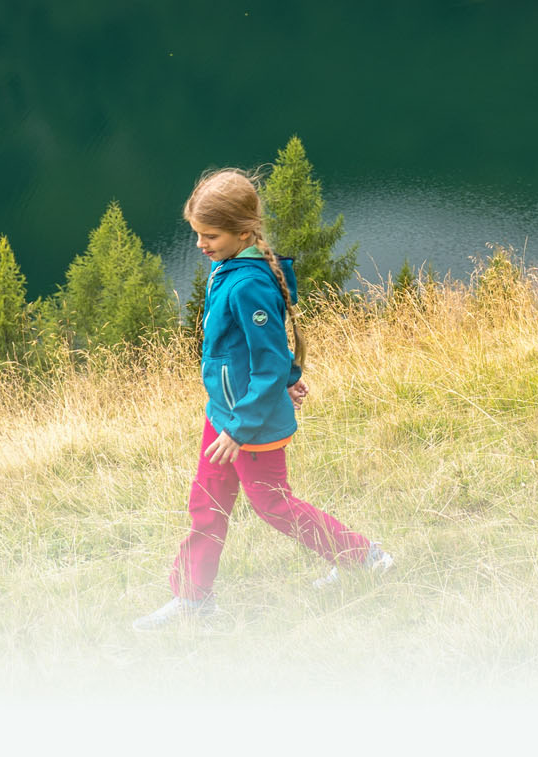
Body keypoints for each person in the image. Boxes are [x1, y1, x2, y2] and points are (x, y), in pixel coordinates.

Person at [133, 168, 391, 631]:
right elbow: (266, 351)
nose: (200, 245)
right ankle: (194, 600)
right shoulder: (227, 267)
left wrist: (246, 418)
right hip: (226, 415)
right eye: (197, 234)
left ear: (243, 231)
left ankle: (363, 556)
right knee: (206, 504)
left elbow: (267, 357)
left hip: (250, 424)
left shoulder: (247, 281)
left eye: (209, 235)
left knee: (274, 505)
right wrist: (288, 377)